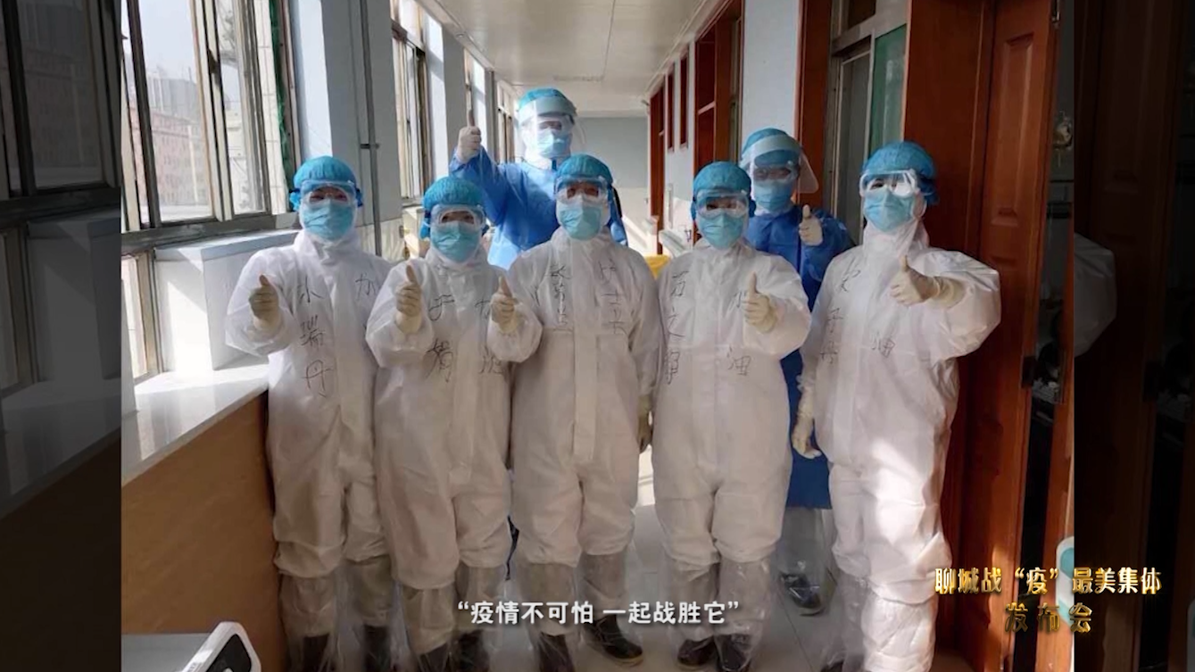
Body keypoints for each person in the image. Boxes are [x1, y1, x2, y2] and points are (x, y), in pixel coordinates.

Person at [792, 141, 1001, 672]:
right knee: (853, 555)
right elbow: (820, 342)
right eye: (876, 184)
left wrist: (938, 291)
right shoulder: (844, 269)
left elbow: (980, 312)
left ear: (923, 196)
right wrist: (808, 407)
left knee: (901, 572)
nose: (885, 194)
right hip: (844, 448)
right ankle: (854, 654)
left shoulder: (944, 268)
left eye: (900, 183)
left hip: (904, 456)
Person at [365, 176, 542, 672]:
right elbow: (383, 346)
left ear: (483, 224)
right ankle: (431, 655)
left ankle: (472, 647)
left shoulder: (501, 281)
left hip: (483, 441)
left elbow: (522, 347)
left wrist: (510, 323)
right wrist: (404, 322)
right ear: (429, 224)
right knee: (425, 554)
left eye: (468, 218)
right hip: (416, 442)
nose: (459, 227)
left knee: (484, 549)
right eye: (448, 218)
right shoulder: (408, 276)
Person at [225, 156, 395, 672]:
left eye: (339, 195)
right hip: (306, 432)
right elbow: (251, 335)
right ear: (297, 202)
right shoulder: (275, 265)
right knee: (309, 553)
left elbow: (397, 349)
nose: (328, 205)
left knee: (374, 547)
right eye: (316, 196)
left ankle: (378, 657)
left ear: (358, 202)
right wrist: (266, 318)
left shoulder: (379, 272)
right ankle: (314, 662)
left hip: (372, 431)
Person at [503, 154, 662, 672]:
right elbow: (512, 350)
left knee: (610, 522)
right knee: (547, 529)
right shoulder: (529, 268)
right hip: (545, 427)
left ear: (608, 198)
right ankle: (551, 636)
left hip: (613, 423)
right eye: (569, 190)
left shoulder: (631, 269)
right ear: (556, 198)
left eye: (591, 190)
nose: (580, 200)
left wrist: (643, 404)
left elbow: (648, 345)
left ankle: (603, 619)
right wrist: (507, 324)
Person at [653, 161, 811, 672]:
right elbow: (651, 348)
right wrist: (640, 407)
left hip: (750, 429)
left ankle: (738, 635)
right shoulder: (674, 276)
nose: (721, 214)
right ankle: (695, 629)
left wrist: (773, 316)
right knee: (687, 533)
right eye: (711, 204)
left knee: (747, 535)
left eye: (732, 204)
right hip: (681, 427)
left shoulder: (771, 271)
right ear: (696, 212)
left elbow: (796, 325)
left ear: (747, 208)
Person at [739, 128, 852, 615]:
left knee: (798, 466)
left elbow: (840, 275)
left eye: (781, 170)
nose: (770, 180)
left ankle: (799, 568)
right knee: (742, 464)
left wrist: (822, 245)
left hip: (796, 365)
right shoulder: (733, 221)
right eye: (761, 171)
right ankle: (742, 561)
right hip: (741, 366)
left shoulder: (816, 224)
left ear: (797, 174)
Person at [451, 87, 626, 269]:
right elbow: (480, 185)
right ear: (525, 130)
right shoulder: (511, 179)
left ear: (570, 128)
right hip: (514, 277)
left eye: (557, 125)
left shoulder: (590, 180)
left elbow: (613, 238)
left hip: (577, 276)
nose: (551, 132)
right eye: (543, 126)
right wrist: (467, 160)